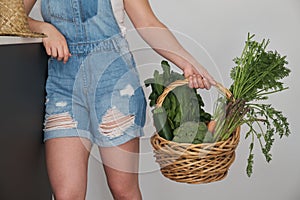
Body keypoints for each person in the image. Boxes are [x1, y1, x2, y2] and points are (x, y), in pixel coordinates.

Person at [24, 0, 216, 199]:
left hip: (115, 86)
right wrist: (43, 28)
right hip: (64, 87)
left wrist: (188, 63)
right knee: (66, 195)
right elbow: (8, 18)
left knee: (124, 192)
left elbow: (147, 22)